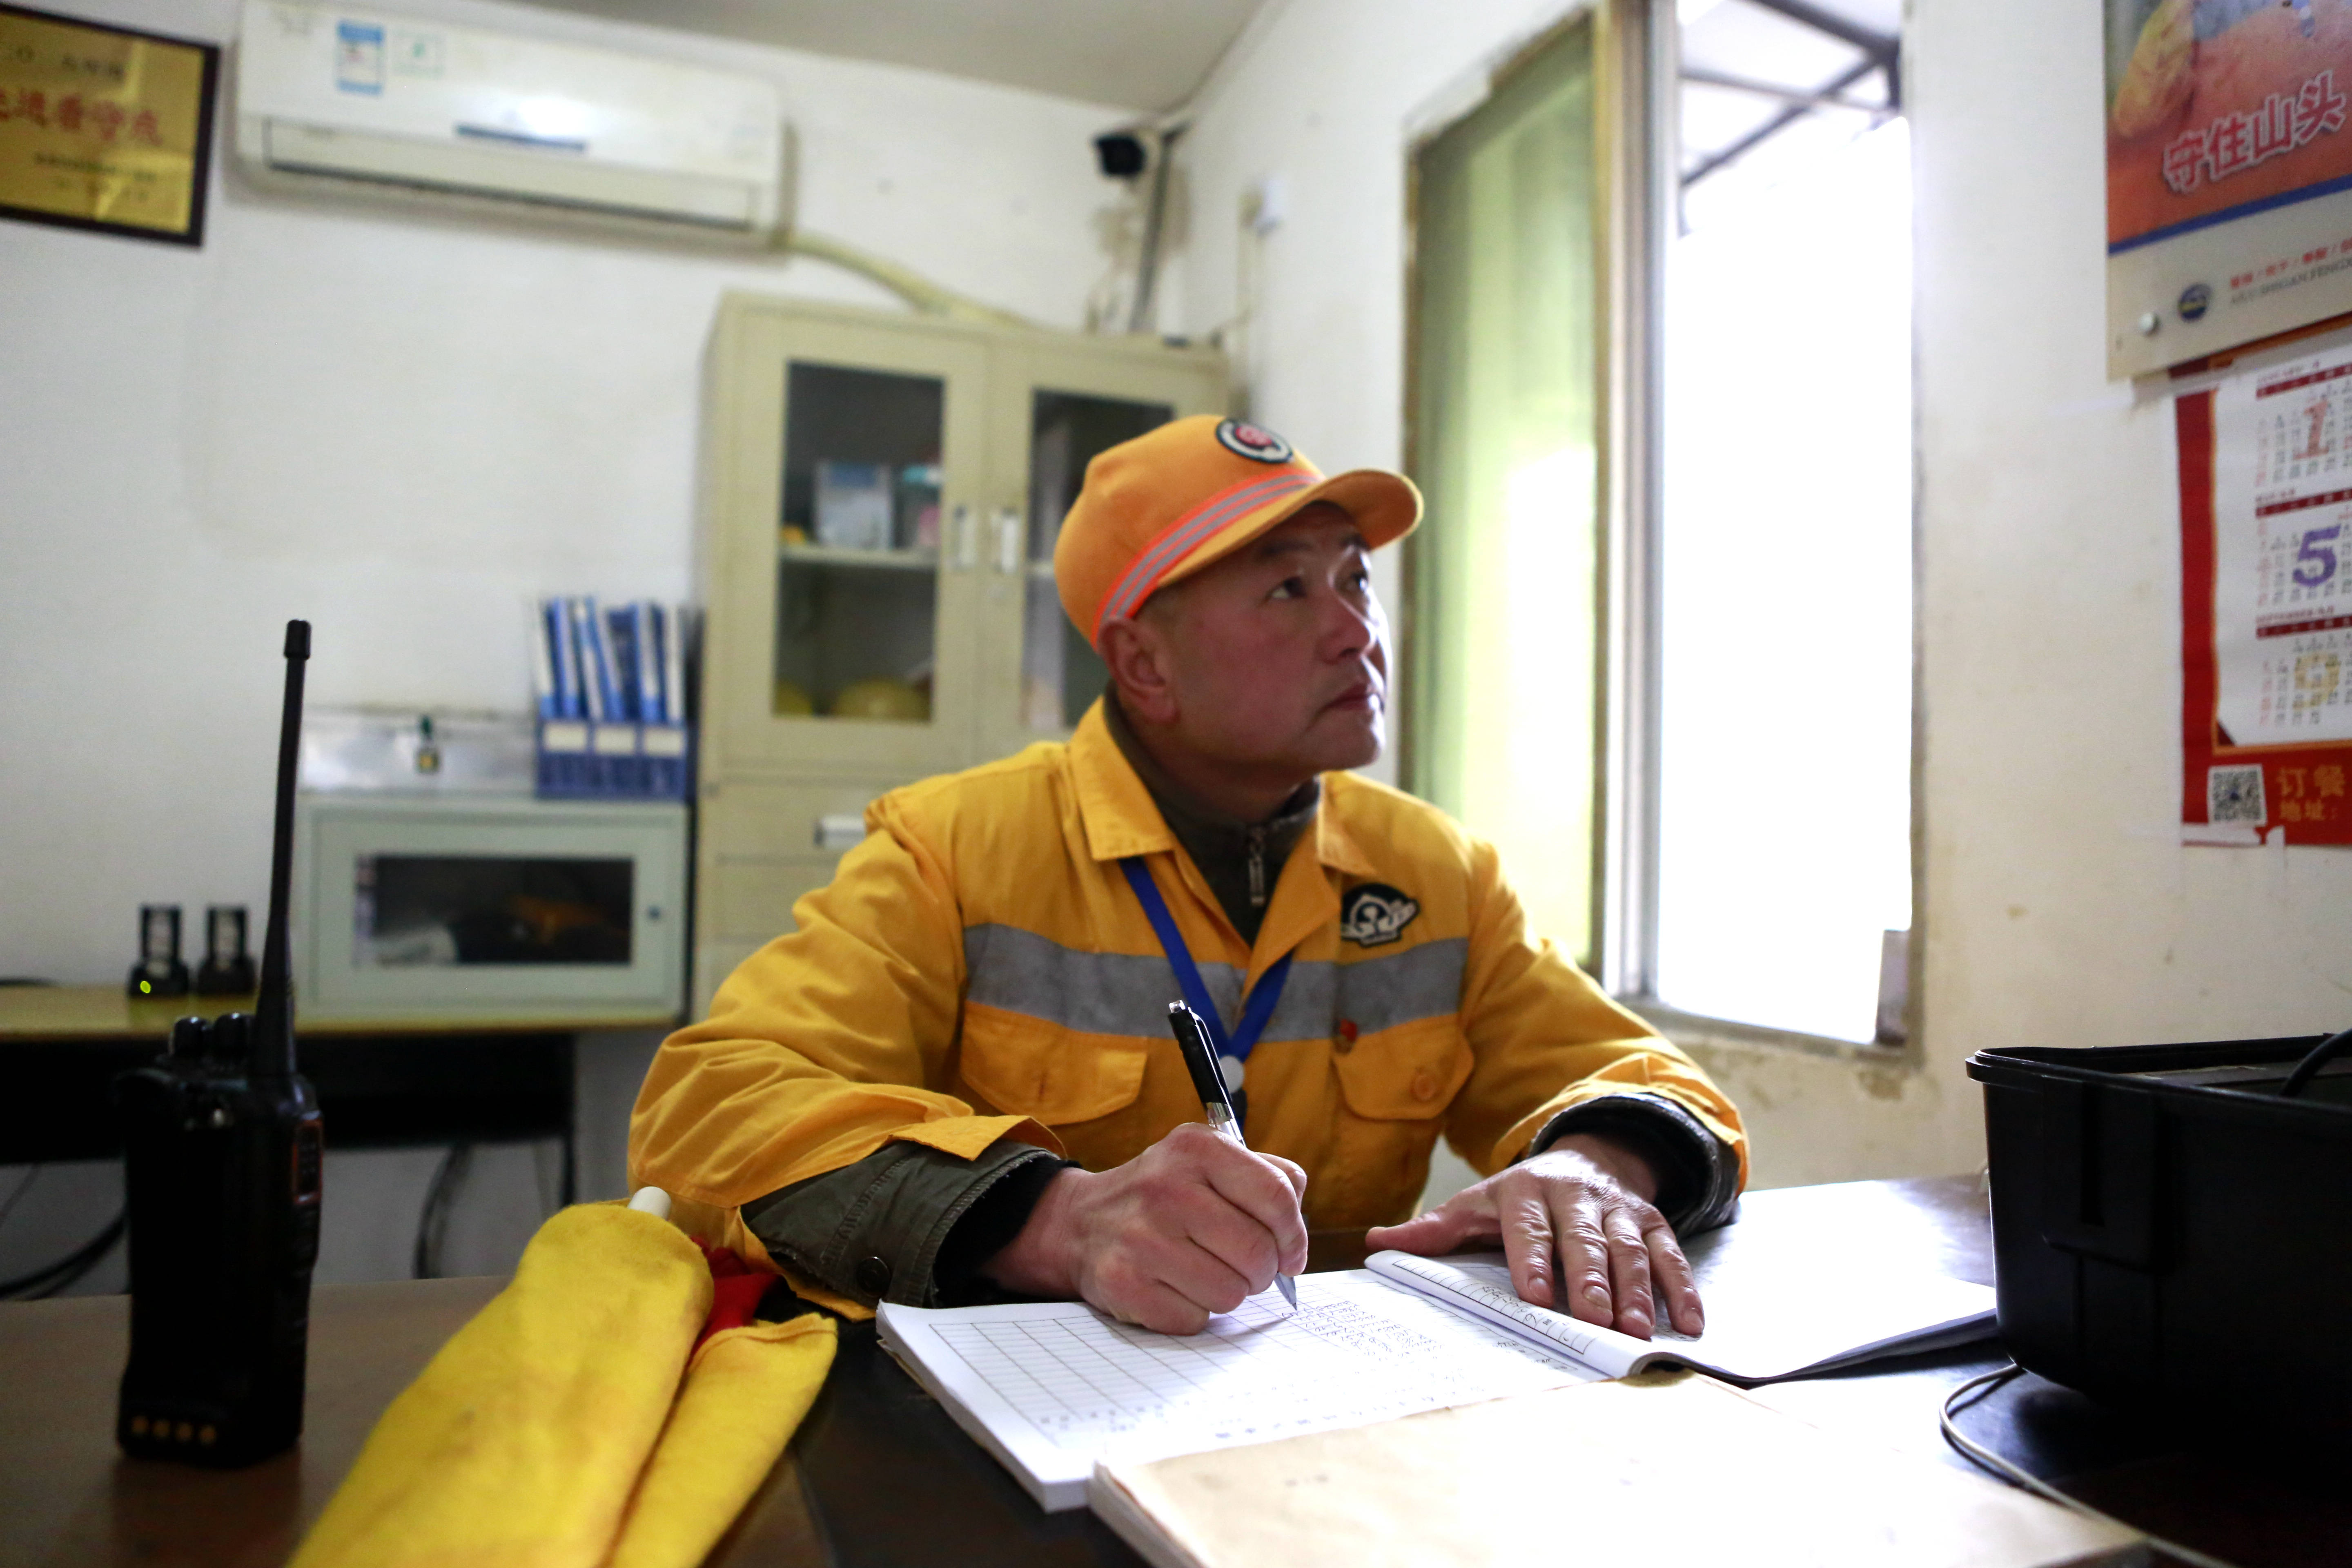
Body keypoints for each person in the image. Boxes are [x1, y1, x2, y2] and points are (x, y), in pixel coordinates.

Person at [629, 416, 1746, 1340]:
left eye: (1356, 580)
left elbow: (1638, 1073)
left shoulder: (1434, 873)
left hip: (1336, 1411)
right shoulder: (954, 851)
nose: (1357, 631)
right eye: (1286, 591)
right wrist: (1055, 1220)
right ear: (1145, 663)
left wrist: (1597, 1165)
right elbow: (711, 1110)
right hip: (1024, 1437)